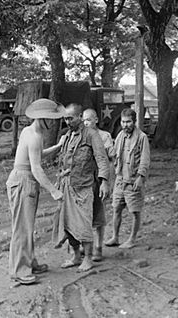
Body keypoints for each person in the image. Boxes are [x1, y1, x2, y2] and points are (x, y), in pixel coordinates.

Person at [6, 99, 66, 285]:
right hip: (24, 181)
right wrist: (54, 190)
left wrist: (56, 147)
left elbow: (37, 154)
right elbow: (36, 168)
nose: (54, 121)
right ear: (43, 118)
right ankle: (20, 271)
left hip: (24, 180)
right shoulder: (34, 136)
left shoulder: (32, 132)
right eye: (52, 117)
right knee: (22, 228)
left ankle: (30, 262)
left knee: (27, 227)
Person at [54, 103, 110, 272]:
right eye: (65, 118)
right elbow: (64, 159)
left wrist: (105, 181)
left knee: (84, 224)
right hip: (67, 186)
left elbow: (102, 159)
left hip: (85, 186)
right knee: (67, 223)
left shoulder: (91, 134)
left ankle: (88, 258)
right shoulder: (68, 135)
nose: (67, 121)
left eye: (70, 118)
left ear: (79, 116)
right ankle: (76, 255)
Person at [105, 108, 150, 249]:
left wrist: (140, 177)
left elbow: (145, 159)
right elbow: (114, 155)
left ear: (134, 122)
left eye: (128, 122)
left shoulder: (142, 138)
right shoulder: (120, 136)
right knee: (116, 209)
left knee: (135, 211)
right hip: (120, 180)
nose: (125, 125)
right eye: (123, 122)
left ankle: (132, 239)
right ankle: (115, 237)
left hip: (133, 181)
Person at [82, 108, 115, 262]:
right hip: (84, 182)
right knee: (84, 216)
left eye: (88, 119)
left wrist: (106, 182)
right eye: (84, 120)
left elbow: (111, 161)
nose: (86, 122)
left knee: (98, 216)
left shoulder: (104, 136)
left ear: (96, 119)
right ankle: (86, 246)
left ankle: (98, 247)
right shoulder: (81, 137)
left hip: (98, 181)